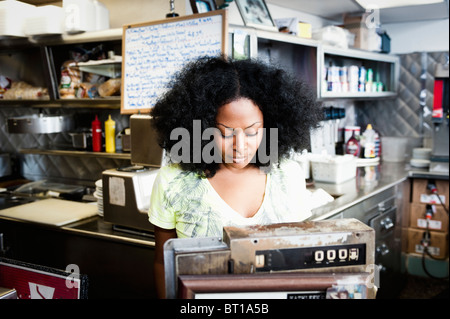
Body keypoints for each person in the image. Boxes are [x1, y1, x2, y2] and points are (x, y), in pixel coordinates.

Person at [148, 55, 323, 298]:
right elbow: (162, 262)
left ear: (270, 127)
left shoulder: (288, 174)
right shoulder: (174, 181)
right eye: (225, 133)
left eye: (252, 132)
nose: (239, 146)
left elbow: (301, 257)